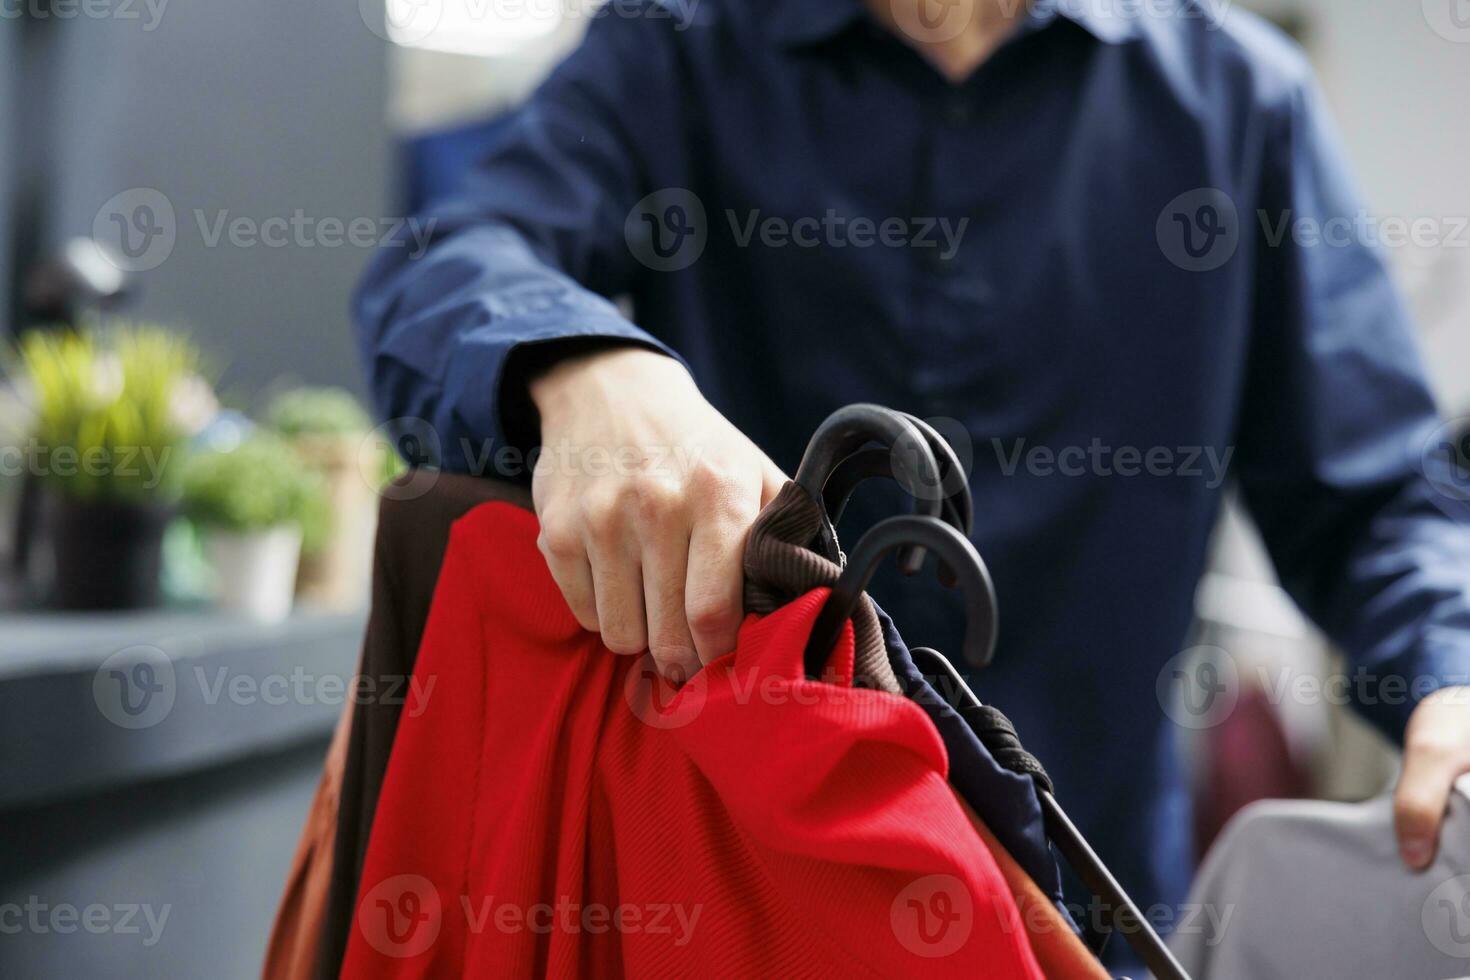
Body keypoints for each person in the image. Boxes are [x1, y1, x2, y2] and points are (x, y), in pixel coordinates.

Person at [355, 0, 1470, 962]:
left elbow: (1377, 498)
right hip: (741, 902)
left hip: (1089, 909)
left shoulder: (1242, 102)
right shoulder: (679, 47)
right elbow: (445, 257)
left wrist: (1452, 670)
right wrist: (581, 362)